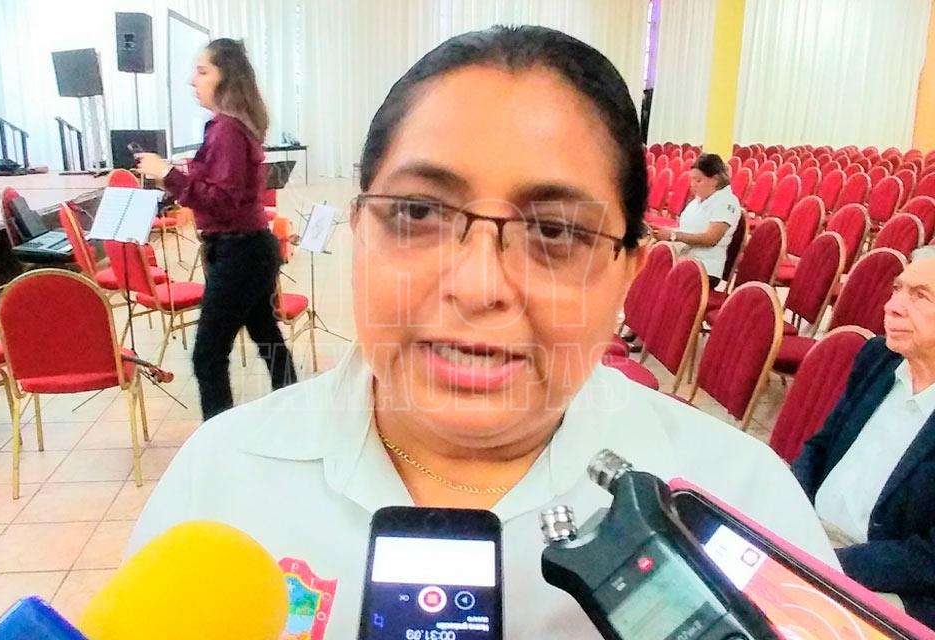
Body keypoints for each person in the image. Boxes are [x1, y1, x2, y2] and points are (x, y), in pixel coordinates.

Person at [128, 27, 835, 637]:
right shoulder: (224, 478)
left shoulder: (740, 505)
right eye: (418, 213)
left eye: (555, 231)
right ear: (359, 231)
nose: (476, 286)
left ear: (628, 272)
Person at [135, 38, 295, 420]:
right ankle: (294, 414)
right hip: (250, 248)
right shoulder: (232, 126)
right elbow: (221, 190)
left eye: (203, 71)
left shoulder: (226, 129)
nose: (193, 80)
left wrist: (167, 173)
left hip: (240, 252)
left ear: (227, 78)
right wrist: (173, 174)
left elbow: (221, 200)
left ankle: (218, 440)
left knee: (208, 355)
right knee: (267, 336)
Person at [793, 253, 935, 627]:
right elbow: (820, 446)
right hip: (808, 534)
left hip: (884, 579)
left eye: (920, 295)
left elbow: (928, 558)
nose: (893, 306)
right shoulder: (879, 358)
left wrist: (822, 560)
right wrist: (788, 509)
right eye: (897, 289)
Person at [652, 153, 741, 289]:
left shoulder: (727, 202)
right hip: (685, 259)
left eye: (698, 180)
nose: (693, 185)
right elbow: (687, 229)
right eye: (692, 179)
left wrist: (674, 236)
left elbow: (711, 239)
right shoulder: (698, 200)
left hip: (705, 268)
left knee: (658, 279)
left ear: (715, 180)